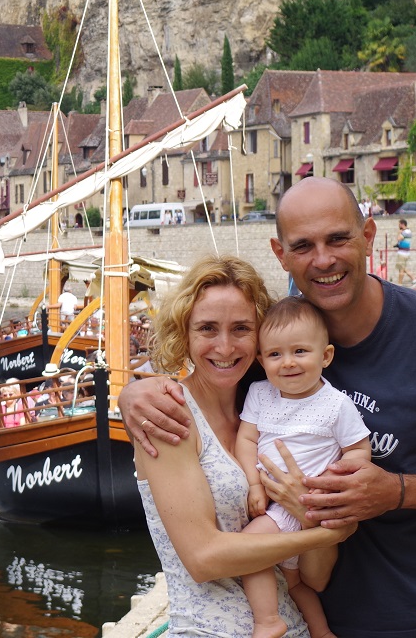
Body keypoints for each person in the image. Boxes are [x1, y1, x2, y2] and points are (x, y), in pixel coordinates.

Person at [123, 177, 416, 638]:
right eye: (303, 245)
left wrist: (399, 491)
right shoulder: (274, 349)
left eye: (338, 239)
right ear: (280, 254)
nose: (324, 259)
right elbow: (209, 366)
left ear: (368, 236)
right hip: (324, 619)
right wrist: (133, 392)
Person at [134, 254, 351, 638]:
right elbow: (203, 560)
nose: (225, 346)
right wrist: (328, 531)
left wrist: (307, 511)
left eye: (241, 328)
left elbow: (315, 578)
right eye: (207, 328)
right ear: (184, 332)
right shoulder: (169, 416)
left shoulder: (275, 416)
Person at [237, 298, 372, 638]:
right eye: (275, 354)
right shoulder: (259, 393)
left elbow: (358, 449)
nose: (288, 363)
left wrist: (333, 483)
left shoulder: (336, 405)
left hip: (306, 503)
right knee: (296, 584)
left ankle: (267, 621)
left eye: (300, 351)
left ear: (325, 356)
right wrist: (254, 484)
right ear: (261, 360)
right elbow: (246, 439)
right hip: (273, 504)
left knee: (247, 549)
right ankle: (322, 632)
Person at [392, 218, 416, 286]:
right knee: (402, 268)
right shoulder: (409, 231)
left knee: (401, 269)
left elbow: (399, 238)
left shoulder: (405, 232)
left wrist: (399, 233)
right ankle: (413, 279)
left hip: (402, 253)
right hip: (406, 252)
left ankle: (403, 283)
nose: (398, 226)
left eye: (399, 224)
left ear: (402, 224)